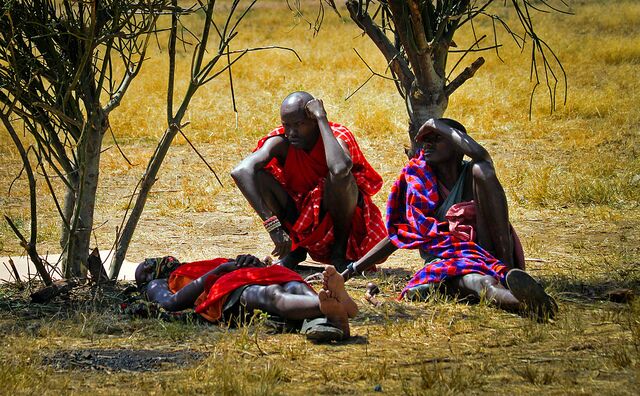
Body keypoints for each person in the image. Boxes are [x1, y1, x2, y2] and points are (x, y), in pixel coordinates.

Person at [340, 118, 557, 319]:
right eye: (425, 140)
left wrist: (435, 123)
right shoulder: (419, 182)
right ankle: (526, 303)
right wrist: (351, 271)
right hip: (448, 261)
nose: (427, 145)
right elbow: (400, 235)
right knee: (479, 282)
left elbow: (482, 156)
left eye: (437, 138)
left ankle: (508, 273)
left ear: (458, 148)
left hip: (489, 252)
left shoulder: (474, 175)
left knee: (483, 170)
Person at [231, 92, 387, 271]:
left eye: (298, 125)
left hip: (338, 218)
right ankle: (295, 250)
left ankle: (339, 252)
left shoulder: (336, 135)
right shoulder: (281, 141)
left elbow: (339, 169)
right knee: (258, 175)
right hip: (299, 217)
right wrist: (272, 226)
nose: (291, 133)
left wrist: (322, 118)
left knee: (339, 178)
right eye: (286, 125)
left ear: (313, 120)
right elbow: (241, 171)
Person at [135, 254, 358, 340]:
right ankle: (332, 307)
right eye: (144, 267)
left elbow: (228, 266)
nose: (148, 262)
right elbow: (171, 303)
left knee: (291, 286)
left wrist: (249, 261)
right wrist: (219, 271)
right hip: (226, 291)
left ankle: (331, 309)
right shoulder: (156, 284)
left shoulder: (193, 265)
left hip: (250, 275)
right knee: (272, 295)